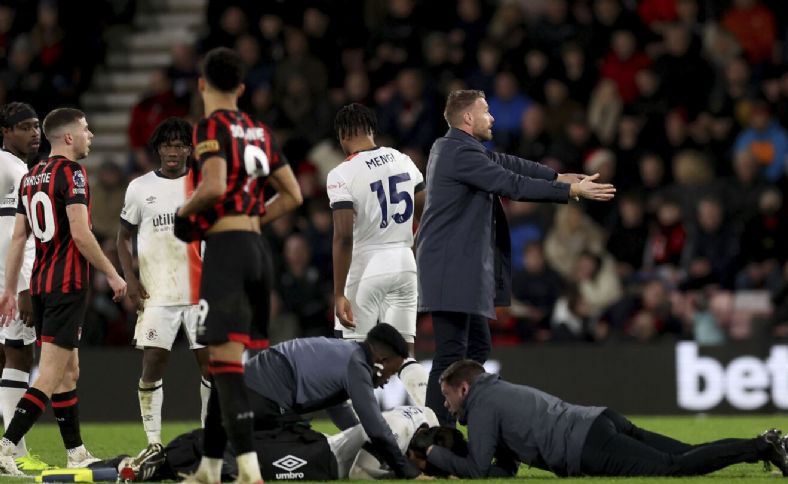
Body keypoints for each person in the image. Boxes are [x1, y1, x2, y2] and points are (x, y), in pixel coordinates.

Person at [416, 89, 615, 425]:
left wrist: (556, 176)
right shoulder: (457, 153)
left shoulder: (459, 148)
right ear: (467, 118)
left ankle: (463, 416)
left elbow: (507, 163)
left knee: (476, 349)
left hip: (460, 268)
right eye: (485, 111)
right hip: (449, 267)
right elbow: (510, 183)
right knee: (451, 354)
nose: (491, 118)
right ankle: (434, 437)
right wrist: (571, 191)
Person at [173, 47, 302, 484]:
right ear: (242, 88)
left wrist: (184, 214)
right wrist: (250, 220)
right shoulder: (259, 129)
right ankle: (210, 467)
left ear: (202, 84)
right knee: (223, 361)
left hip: (227, 252)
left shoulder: (210, 126)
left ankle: (249, 469)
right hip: (258, 251)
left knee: (225, 368)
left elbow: (210, 186)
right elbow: (293, 195)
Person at [420, 359, 788, 478]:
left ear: (464, 388)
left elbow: (476, 470)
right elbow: (502, 471)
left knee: (674, 467)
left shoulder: (483, 405)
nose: (448, 407)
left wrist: (435, 456)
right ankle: (768, 445)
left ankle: (762, 446)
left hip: (586, 444)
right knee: (685, 452)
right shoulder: (497, 392)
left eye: (447, 397)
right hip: (599, 419)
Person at [0, 108, 128, 475]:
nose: (91, 136)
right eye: (86, 130)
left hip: (39, 284)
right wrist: (114, 275)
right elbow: (80, 233)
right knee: (52, 373)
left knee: (69, 371)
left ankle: (76, 452)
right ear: (68, 137)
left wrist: (11, 289)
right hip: (65, 284)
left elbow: (19, 238)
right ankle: (6, 446)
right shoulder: (72, 174)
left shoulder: (31, 176)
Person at [116, 118, 210, 464]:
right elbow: (123, 237)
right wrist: (130, 278)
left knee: (210, 367)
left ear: (189, 149)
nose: (173, 151)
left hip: (200, 292)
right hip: (157, 292)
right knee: (154, 361)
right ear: (157, 149)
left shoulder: (203, 185)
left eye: (180, 145)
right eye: (167, 145)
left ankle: (207, 438)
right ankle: (154, 441)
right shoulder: (139, 188)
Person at [326, 103, 428, 407]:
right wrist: (409, 241)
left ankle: (363, 438)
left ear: (343, 136)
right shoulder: (403, 160)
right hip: (404, 263)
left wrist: (339, 293)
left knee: (355, 360)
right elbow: (427, 210)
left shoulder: (341, 173)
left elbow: (343, 237)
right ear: (372, 130)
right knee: (404, 355)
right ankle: (428, 419)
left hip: (366, 266)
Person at [241, 323, 425, 479]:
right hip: (260, 397)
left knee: (309, 443)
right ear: (381, 361)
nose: (386, 382)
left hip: (252, 392)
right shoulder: (357, 365)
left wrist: (362, 444)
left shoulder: (348, 353)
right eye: (391, 373)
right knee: (320, 458)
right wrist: (406, 470)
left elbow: (339, 409)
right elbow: (376, 427)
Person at [117, 404, 439, 482]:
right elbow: (359, 473)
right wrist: (405, 473)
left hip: (318, 448)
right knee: (261, 465)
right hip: (319, 453)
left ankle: (130, 464)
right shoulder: (402, 426)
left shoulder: (414, 420)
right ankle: (144, 463)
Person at [0, 102, 51, 472]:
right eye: (25, 127)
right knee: (19, 356)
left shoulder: (16, 168)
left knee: (7, 358)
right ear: (6, 131)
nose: (34, 133)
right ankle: (13, 450)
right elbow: (10, 236)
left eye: (36, 126)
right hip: (11, 279)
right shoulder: (13, 171)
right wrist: (20, 286)